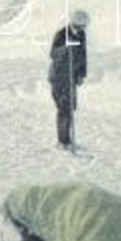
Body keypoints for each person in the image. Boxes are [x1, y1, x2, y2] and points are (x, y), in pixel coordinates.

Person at [49, 10, 90, 149]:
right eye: (80, 26)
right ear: (74, 23)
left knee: (71, 108)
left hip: (72, 77)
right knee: (64, 109)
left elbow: (83, 55)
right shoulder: (62, 34)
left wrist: (81, 74)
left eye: (84, 27)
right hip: (59, 77)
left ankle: (68, 139)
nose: (82, 29)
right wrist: (66, 47)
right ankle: (62, 141)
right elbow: (53, 54)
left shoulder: (81, 35)